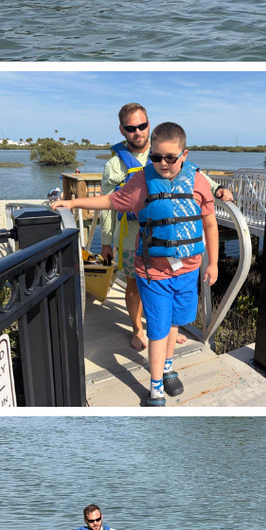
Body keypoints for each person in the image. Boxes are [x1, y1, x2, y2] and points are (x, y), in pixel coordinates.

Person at [53, 121, 221, 407]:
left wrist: (213, 263)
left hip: (188, 270)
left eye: (171, 157)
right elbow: (109, 201)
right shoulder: (142, 182)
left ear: (185, 154)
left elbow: (210, 223)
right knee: (156, 331)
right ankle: (155, 389)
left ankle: (168, 369)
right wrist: (72, 204)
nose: (163, 163)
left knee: (174, 324)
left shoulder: (199, 181)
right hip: (153, 273)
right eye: (156, 157)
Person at [99, 103, 233, 352]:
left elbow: (192, 176)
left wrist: (217, 189)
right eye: (131, 128)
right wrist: (106, 242)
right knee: (134, 284)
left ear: (149, 125)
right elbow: (109, 205)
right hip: (132, 235)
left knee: (171, 282)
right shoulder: (114, 167)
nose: (137, 132)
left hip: (167, 236)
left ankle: (166, 328)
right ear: (122, 130)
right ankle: (138, 329)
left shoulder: (165, 148)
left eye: (142, 126)